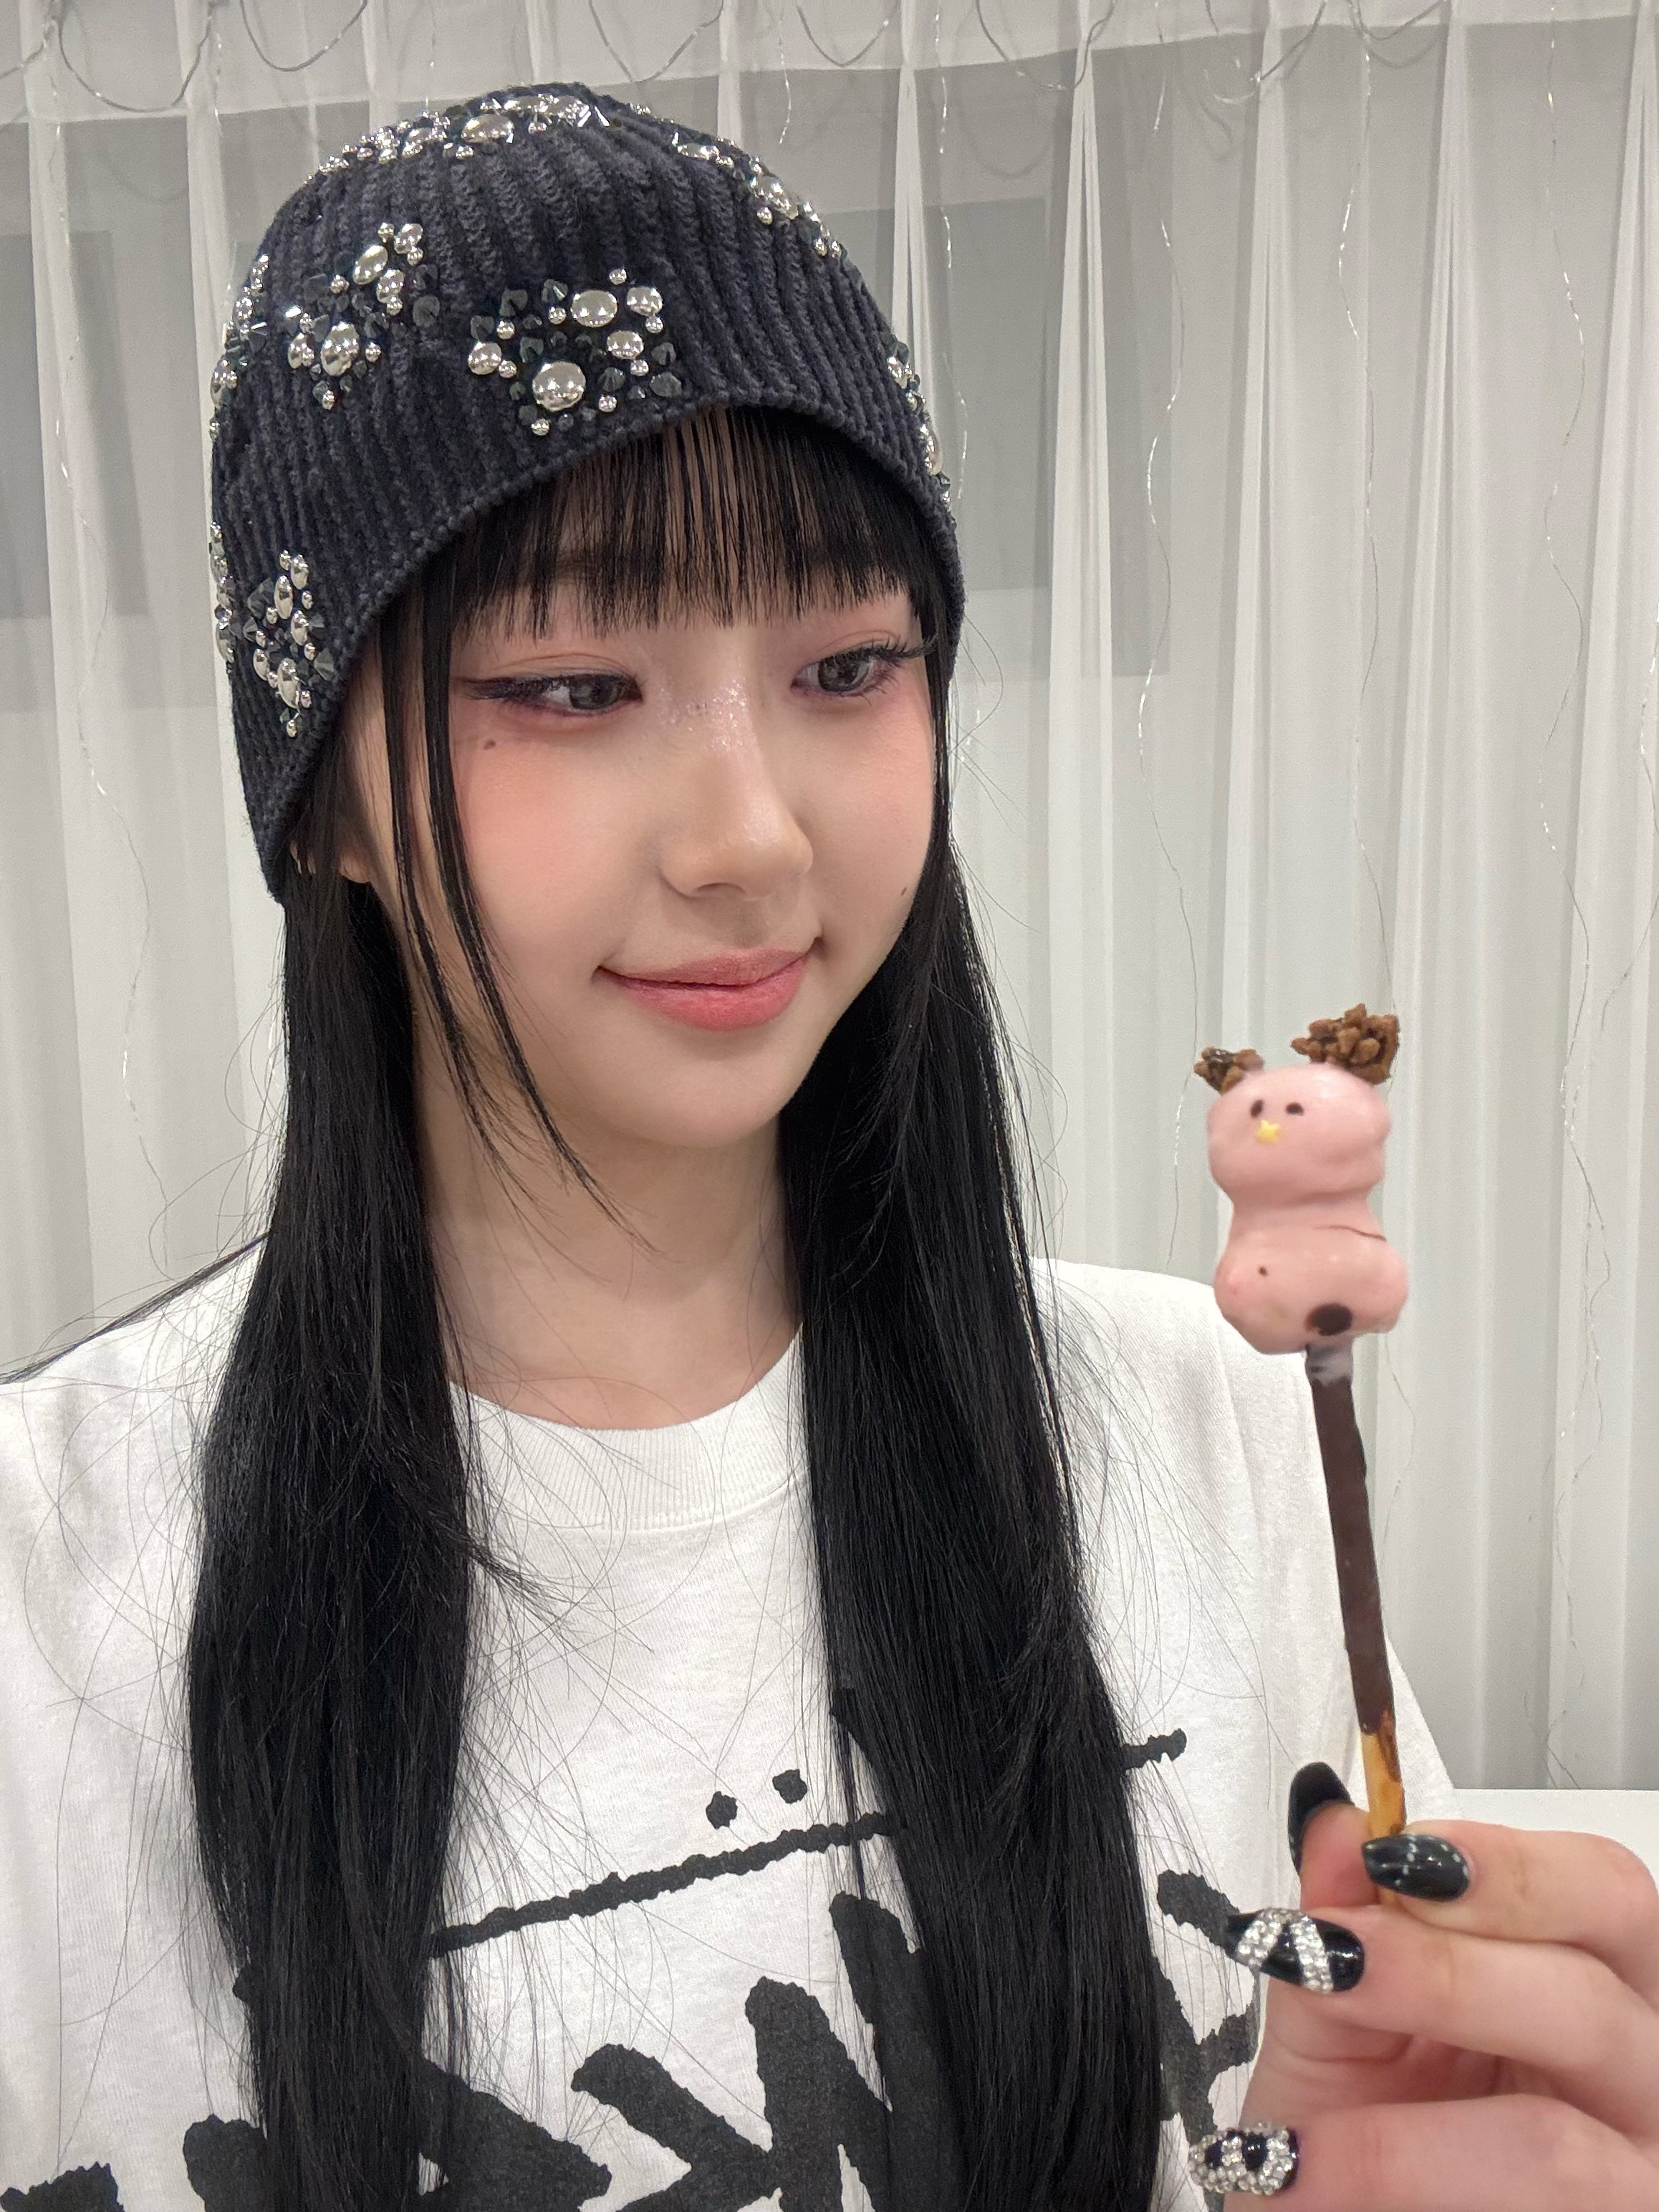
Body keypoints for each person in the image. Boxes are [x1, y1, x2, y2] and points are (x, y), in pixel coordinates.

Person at [0, 81, 1653, 2212]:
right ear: (323, 794)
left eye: (850, 664)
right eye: (572, 685)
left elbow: (1331, 2109)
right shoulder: (47, 1593)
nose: (753, 835)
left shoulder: (1206, 1426)